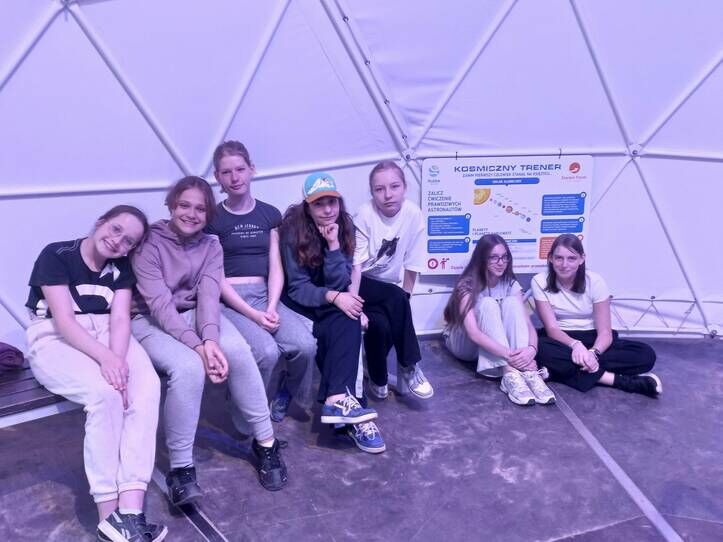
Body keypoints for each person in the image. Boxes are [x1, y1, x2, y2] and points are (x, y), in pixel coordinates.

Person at [131, 176, 287, 500]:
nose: (191, 214)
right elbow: (160, 306)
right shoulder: (149, 243)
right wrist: (199, 347)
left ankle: (266, 442)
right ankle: (181, 468)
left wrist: (211, 340)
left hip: (193, 313)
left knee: (239, 351)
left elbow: (208, 297)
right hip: (148, 319)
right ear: (171, 205)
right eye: (184, 205)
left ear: (208, 214)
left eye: (200, 209)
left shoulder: (211, 245)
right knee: (189, 368)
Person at [25, 205, 167, 541]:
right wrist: (107, 361)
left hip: (108, 332)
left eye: (129, 241)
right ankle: (109, 517)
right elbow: (64, 321)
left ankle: (131, 511)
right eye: (116, 229)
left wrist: (117, 361)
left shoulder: (121, 268)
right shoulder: (56, 254)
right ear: (101, 222)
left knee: (145, 389)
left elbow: (119, 318)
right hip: (56, 336)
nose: (119, 242)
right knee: (104, 395)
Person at [206, 141, 315, 423]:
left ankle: (286, 392)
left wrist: (271, 306)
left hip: (266, 294)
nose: (235, 177)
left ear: (252, 170)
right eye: (226, 172)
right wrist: (253, 314)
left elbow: (275, 265)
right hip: (231, 300)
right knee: (265, 352)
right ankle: (248, 413)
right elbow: (216, 277)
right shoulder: (213, 219)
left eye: (240, 169)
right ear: (218, 177)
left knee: (305, 346)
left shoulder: (269, 214)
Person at [279, 172, 385, 454]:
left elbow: (339, 282)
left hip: (329, 299)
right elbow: (297, 288)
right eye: (319, 204)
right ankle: (350, 410)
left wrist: (333, 245)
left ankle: (338, 400)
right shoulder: (291, 231)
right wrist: (335, 297)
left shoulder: (344, 226)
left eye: (332, 202)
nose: (328, 210)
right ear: (307, 206)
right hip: (300, 305)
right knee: (339, 327)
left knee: (351, 319)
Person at [531, 234, 660, 397]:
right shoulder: (539, 281)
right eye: (559, 258)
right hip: (561, 340)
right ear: (550, 258)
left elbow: (605, 332)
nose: (564, 264)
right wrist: (575, 345)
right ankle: (620, 381)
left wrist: (593, 353)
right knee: (539, 348)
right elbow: (552, 329)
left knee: (645, 354)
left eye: (571, 258)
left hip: (593, 339)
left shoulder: (595, 281)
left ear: (582, 259)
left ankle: (557, 371)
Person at [352, 160, 433, 400]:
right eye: (379, 189)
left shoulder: (413, 214)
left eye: (394, 186)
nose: (388, 195)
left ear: (405, 187)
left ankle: (378, 379)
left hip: (388, 290)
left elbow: (414, 262)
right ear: (372, 192)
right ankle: (409, 365)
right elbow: (355, 265)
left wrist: (404, 300)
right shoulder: (364, 214)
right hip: (359, 283)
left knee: (382, 326)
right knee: (396, 297)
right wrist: (354, 305)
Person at [443, 234, 555, 406]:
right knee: (488, 304)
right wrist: (511, 357)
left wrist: (531, 351)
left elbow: (527, 324)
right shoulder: (467, 284)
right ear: (482, 259)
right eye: (494, 257)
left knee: (513, 303)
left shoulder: (510, 284)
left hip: (497, 346)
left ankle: (527, 373)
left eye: (504, 257)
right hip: (464, 344)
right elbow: (473, 333)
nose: (501, 262)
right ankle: (510, 371)